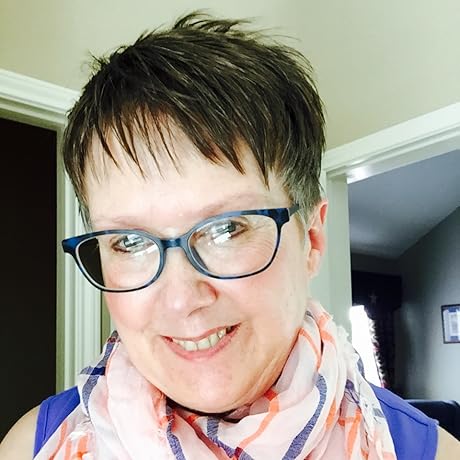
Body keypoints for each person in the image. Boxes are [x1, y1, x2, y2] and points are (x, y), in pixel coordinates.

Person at [1, 12, 459, 460]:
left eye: (227, 229)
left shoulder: (424, 451)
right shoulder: (34, 446)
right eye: (130, 242)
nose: (181, 299)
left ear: (313, 238)